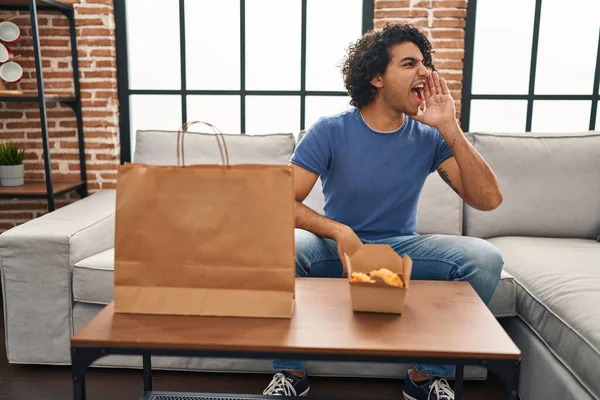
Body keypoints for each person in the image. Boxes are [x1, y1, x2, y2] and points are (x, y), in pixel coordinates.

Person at [262, 23, 504, 400]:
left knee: (486, 258)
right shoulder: (330, 131)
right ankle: (291, 373)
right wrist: (337, 230)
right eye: (409, 64)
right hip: (336, 251)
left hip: (399, 250)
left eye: (424, 63)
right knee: (284, 244)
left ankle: (425, 378)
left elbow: (488, 200)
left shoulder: (429, 137)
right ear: (376, 77)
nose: (425, 72)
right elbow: (278, 200)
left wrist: (450, 127)